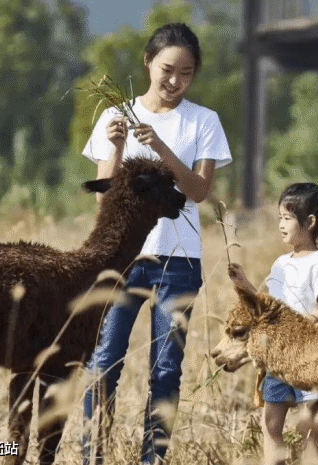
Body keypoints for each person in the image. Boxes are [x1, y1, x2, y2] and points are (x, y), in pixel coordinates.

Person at [81, 22, 232, 465]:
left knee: (166, 369)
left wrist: (163, 148)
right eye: (167, 69)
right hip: (124, 261)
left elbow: (200, 191)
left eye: (186, 73)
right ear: (148, 63)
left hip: (180, 261)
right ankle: (94, 455)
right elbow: (105, 196)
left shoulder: (205, 121)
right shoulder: (115, 116)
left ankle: (154, 459)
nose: (174, 80)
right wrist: (117, 147)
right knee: (104, 362)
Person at [228, 183, 318, 465]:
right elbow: (268, 307)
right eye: (279, 217)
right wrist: (245, 285)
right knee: (270, 424)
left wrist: (300, 324)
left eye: (287, 218)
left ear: (310, 222)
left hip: (309, 359)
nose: (280, 224)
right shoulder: (280, 264)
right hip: (277, 360)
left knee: (308, 426)